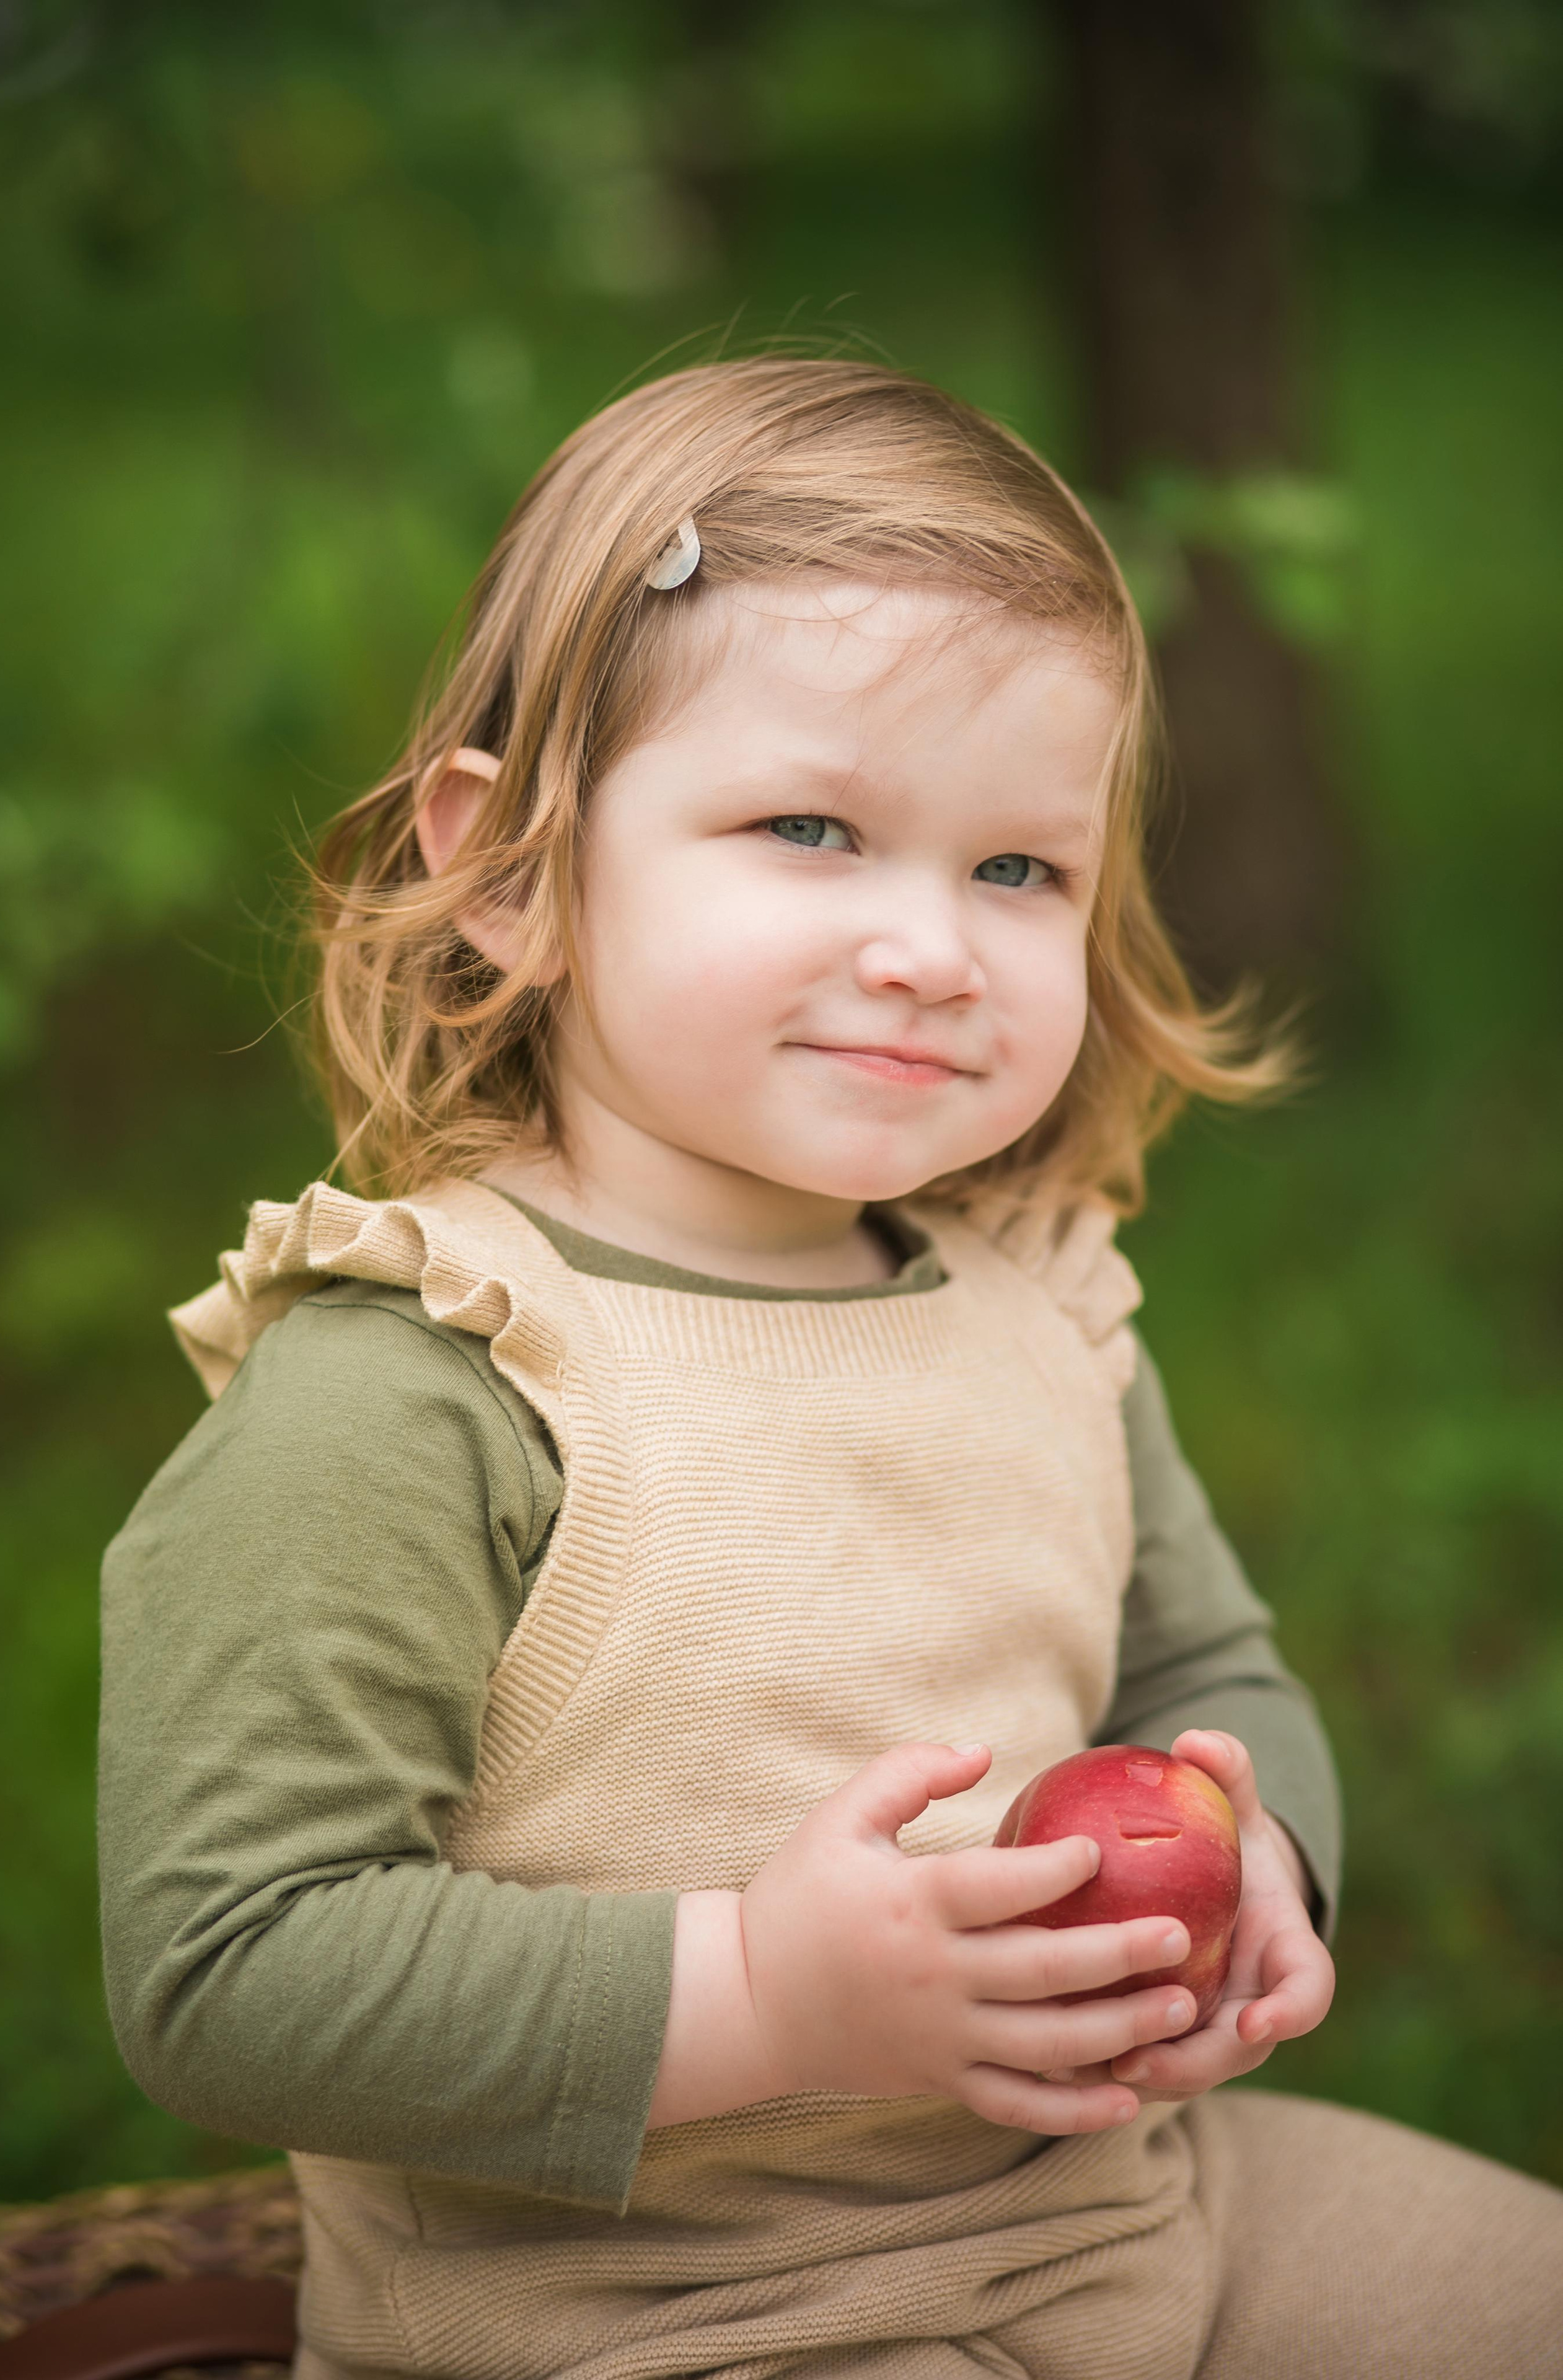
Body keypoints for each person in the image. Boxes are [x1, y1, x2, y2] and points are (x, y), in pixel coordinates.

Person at [98, 358, 1563, 2380]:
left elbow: (1209, 1678)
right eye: (812, 828)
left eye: (1017, 871)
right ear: (514, 869)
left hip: (1119, 2212)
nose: (932, 948)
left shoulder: (1038, 1304)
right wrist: (767, 1999)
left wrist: (1257, 1868)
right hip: (655, 2319)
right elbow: (229, 1967)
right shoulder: (421, 1384)